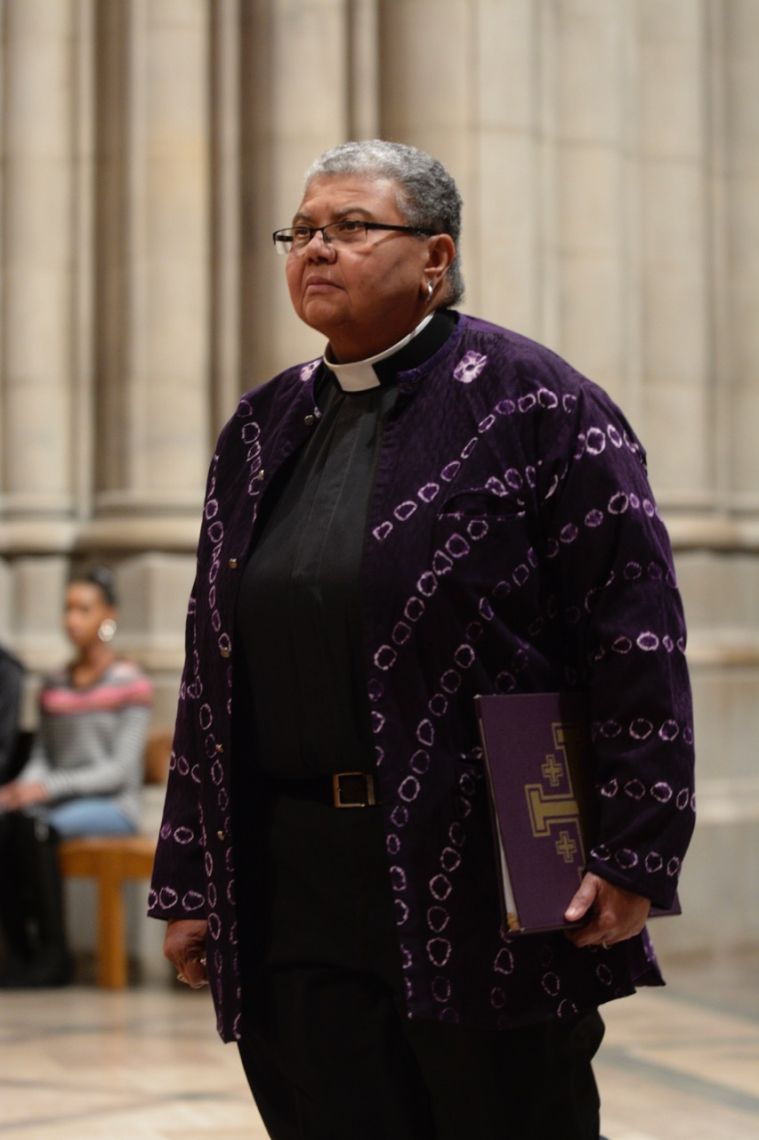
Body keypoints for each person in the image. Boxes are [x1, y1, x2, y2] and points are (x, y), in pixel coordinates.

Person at [150, 140, 695, 1139]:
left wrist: (637, 849)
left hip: (484, 855)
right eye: (302, 229)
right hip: (294, 869)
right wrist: (192, 876)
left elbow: (635, 634)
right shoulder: (262, 427)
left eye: (352, 227)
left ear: (435, 256)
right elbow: (211, 674)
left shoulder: (539, 402)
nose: (317, 248)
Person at [0, 566, 153, 986]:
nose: (72, 619)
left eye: (83, 609)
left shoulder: (131, 682)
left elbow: (118, 772)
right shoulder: (53, 683)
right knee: (8, 820)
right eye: (68, 609)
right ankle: (21, 950)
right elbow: (43, 757)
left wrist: (44, 789)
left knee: (35, 826)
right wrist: (18, 789)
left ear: (108, 616)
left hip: (112, 806)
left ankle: (55, 955)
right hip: (57, 802)